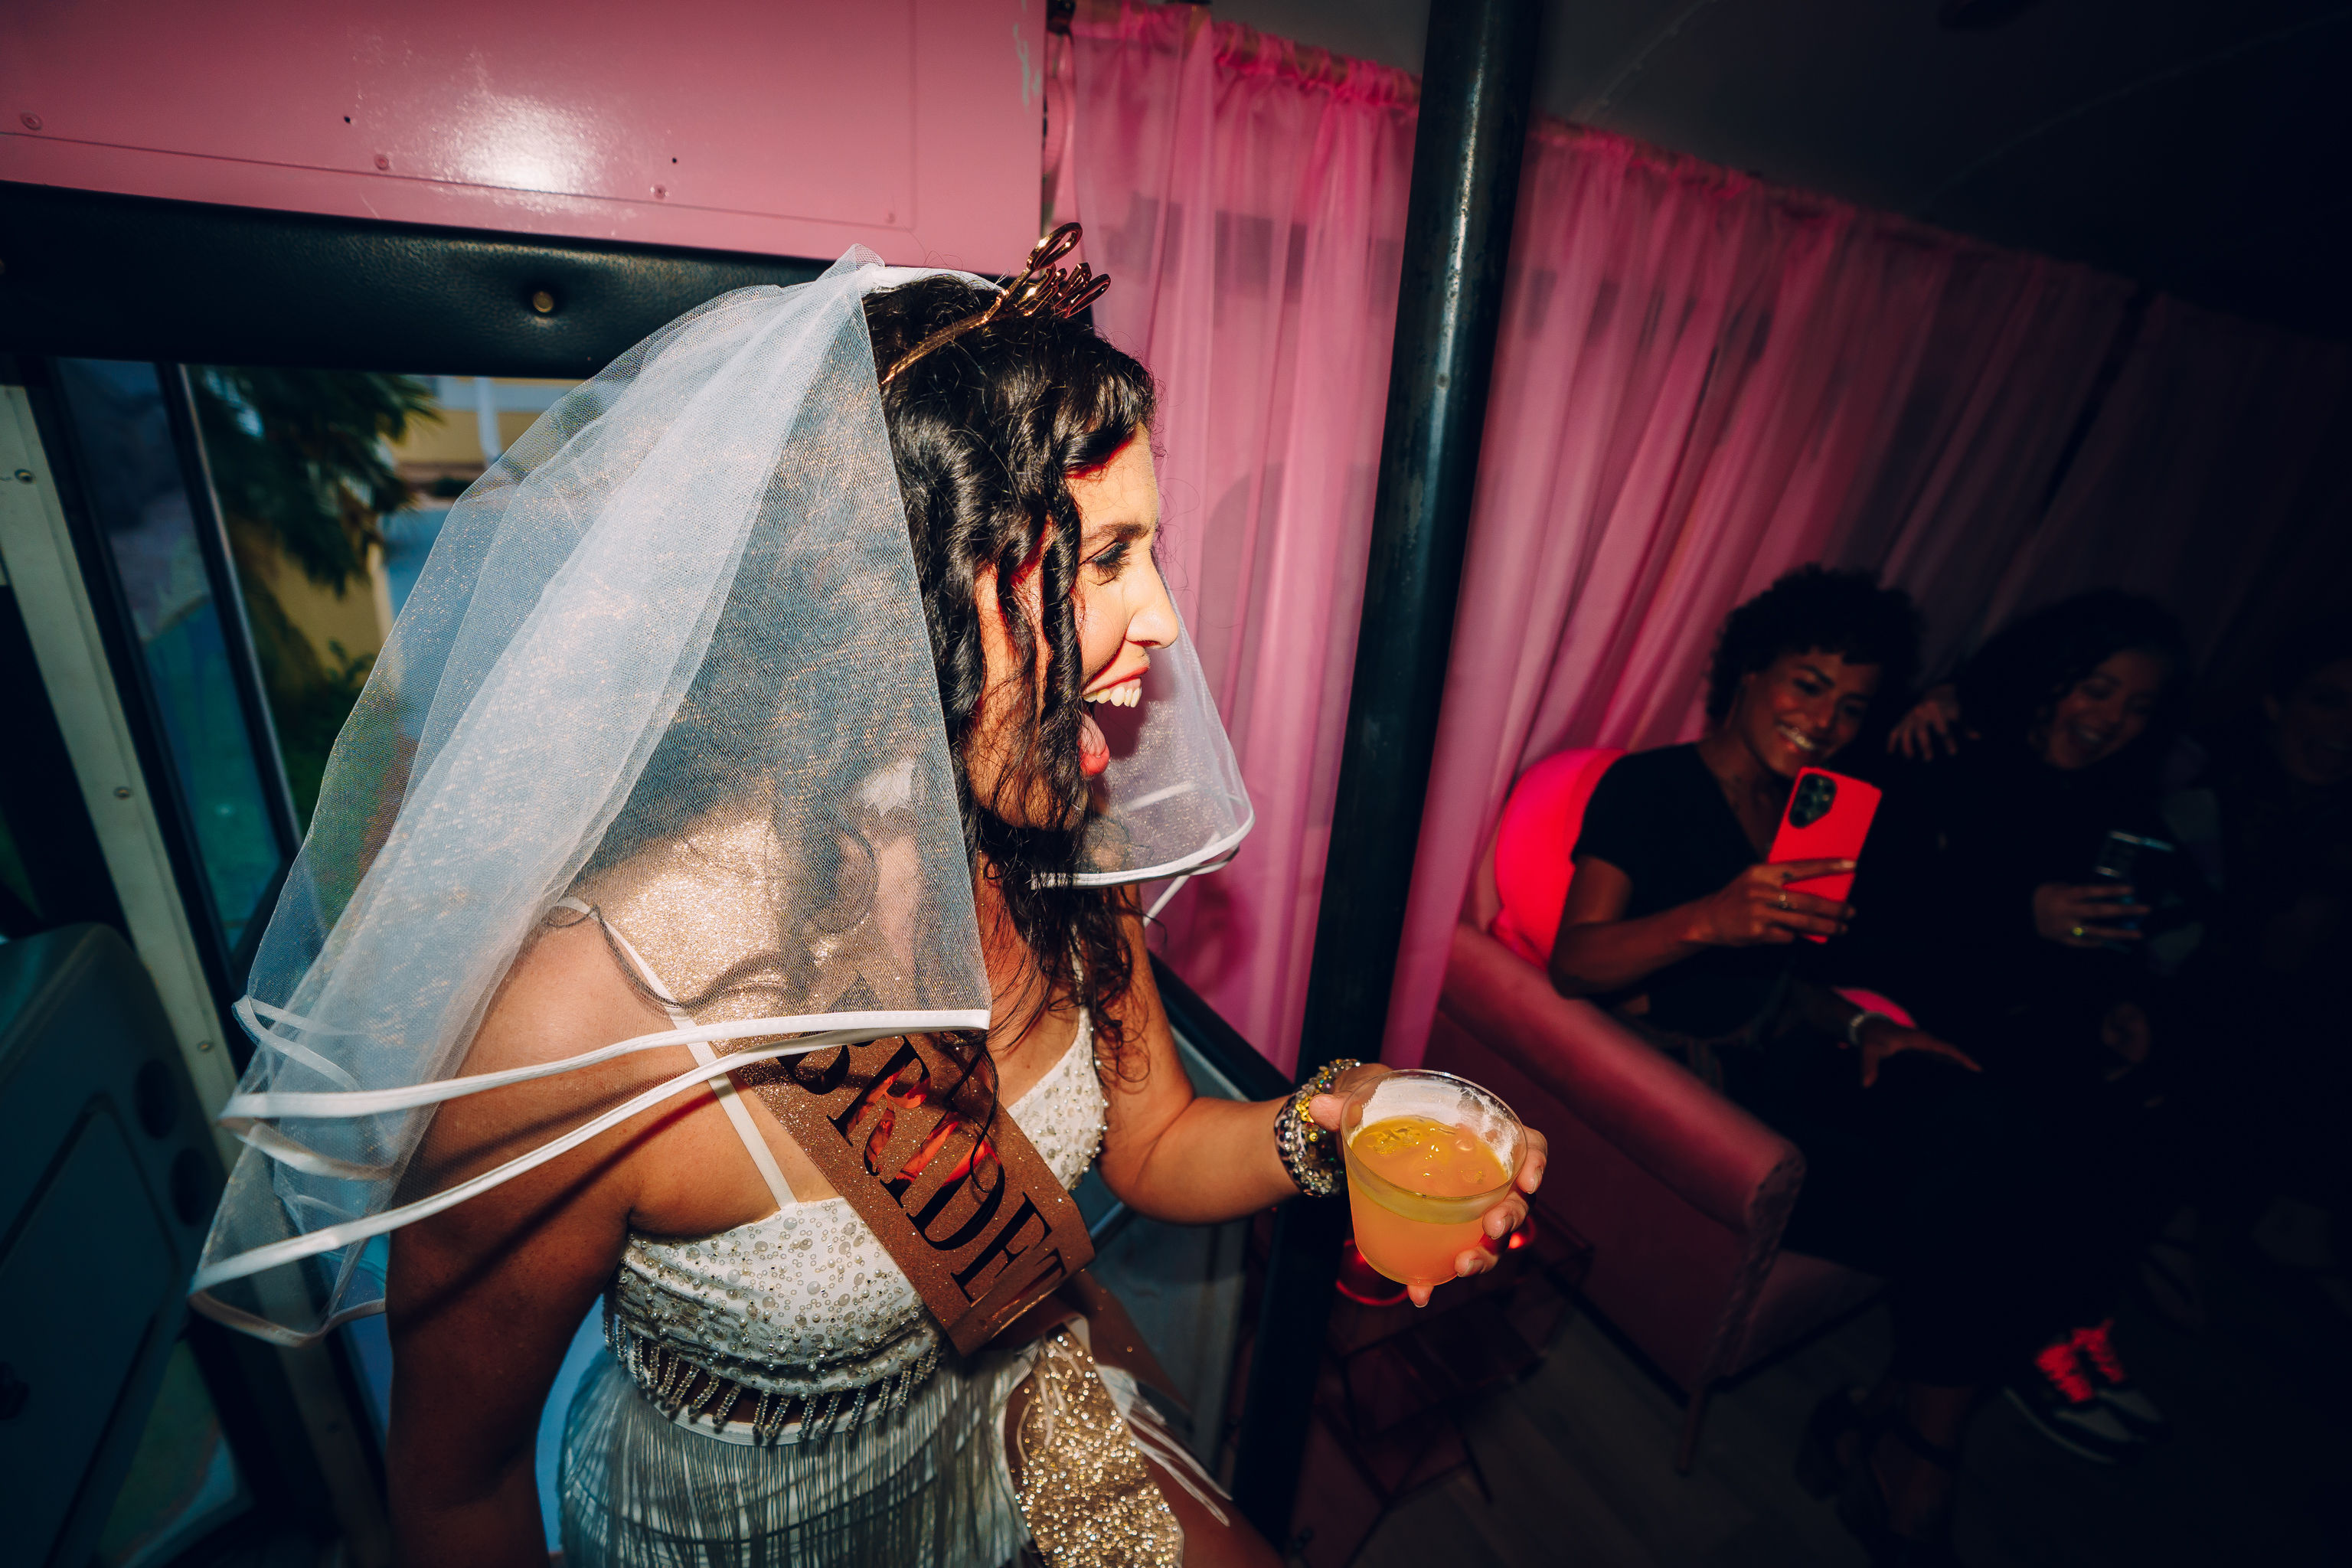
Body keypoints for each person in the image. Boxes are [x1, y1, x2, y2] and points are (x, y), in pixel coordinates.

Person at [188, 234, 1547, 1568]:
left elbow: (1154, 1144)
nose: (1166, 623)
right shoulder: (573, 1016)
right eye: (1106, 556)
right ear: (896, 595)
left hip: (1025, 1418)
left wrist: (1335, 1123)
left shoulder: (1053, 843)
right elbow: (457, 1494)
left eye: (1153, 552)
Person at [1550, 566, 2105, 1567]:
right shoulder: (1653, 785)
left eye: (1853, 705)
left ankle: (1900, 1426)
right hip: (1715, 1096)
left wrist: (1860, 1029)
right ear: (1748, 674)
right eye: (1808, 684)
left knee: (2008, 1130)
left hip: (1802, 1055)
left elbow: (1784, 976)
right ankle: (1913, 1449)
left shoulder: (1818, 811)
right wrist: (1708, 918)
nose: (1826, 720)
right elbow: (1577, 960)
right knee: (1980, 1200)